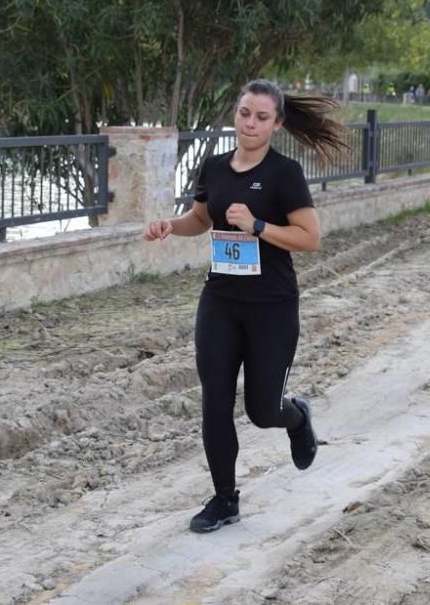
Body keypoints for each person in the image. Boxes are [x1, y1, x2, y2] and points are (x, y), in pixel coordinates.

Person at [143, 79, 347, 533]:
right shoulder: (214, 167)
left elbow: (310, 238)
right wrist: (168, 227)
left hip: (271, 306)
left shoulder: (285, 173)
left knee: (261, 410)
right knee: (215, 402)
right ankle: (224, 499)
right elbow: (201, 218)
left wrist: (257, 224)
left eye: (260, 117)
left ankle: (296, 417)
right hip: (220, 300)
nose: (249, 123)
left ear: (276, 123)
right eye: (243, 113)